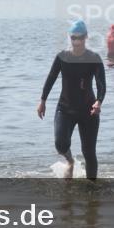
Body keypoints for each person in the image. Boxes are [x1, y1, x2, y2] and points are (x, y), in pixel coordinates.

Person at [38, 20, 106, 180]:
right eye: (74, 38)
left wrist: (99, 101)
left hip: (88, 110)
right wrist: (43, 100)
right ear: (70, 38)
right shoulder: (62, 57)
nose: (77, 41)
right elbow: (51, 78)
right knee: (60, 143)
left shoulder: (94, 58)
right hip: (65, 109)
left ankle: (92, 189)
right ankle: (70, 161)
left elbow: (101, 84)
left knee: (89, 152)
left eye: (80, 38)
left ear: (86, 37)